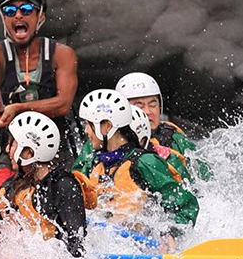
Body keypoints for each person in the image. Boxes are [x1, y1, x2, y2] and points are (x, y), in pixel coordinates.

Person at [0, 0, 80, 193]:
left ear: (40, 17)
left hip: (56, 151)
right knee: (0, 193)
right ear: (4, 18)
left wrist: (19, 107)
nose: (18, 15)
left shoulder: (62, 54)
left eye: (26, 9)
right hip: (13, 152)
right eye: (10, 10)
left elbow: (63, 104)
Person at [72, 89, 198, 232]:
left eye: (89, 124)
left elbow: (187, 205)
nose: (86, 131)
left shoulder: (145, 162)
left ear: (107, 127)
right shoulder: (96, 165)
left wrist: (170, 233)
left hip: (146, 248)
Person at [0, 111, 89, 257]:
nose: (8, 150)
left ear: (28, 152)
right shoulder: (10, 187)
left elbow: (76, 244)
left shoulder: (63, 186)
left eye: (13, 144)